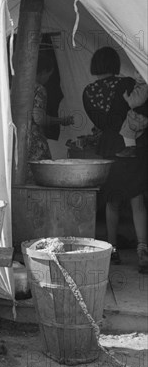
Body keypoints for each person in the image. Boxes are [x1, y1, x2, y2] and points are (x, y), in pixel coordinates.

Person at [82, 47, 148, 273]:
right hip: (132, 149)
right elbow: (142, 111)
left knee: (112, 201)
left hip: (109, 149)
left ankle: (112, 250)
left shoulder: (87, 92)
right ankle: (142, 251)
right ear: (115, 64)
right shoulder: (128, 84)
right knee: (137, 200)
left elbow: (100, 123)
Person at [27, 53, 74, 182]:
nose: (48, 78)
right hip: (33, 144)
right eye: (49, 74)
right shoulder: (38, 88)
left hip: (12, 143)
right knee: (38, 181)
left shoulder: (12, 88)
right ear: (43, 72)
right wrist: (61, 120)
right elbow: (38, 118)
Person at [117, 69, 148, 157]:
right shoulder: (140, 85)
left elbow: (135, 102)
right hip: (139, 116)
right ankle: (131, 148)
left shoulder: (144, 87)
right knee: (128, 129)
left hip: (139, 117)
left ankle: (130, 148)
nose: (140, 76)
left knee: (127, 129)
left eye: (143, 73)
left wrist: (127, 98)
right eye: (138, 72)